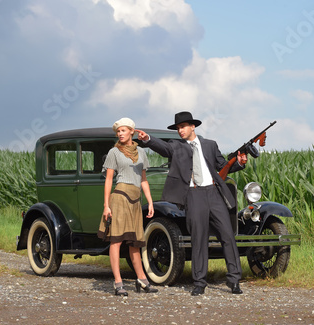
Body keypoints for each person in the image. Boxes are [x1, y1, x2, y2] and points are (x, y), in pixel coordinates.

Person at [136, 111, 248, 296]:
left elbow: (222, 166)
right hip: (193, 195)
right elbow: (163, 147)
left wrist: (239, 162)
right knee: (199, 239)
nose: (180, 131)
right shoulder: (175, 146)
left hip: (214, 193)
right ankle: (199, 282)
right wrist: (148, 139)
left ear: (192, 127)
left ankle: (234, 280)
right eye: (178, 128)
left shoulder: (210, 145)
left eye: (183, 127)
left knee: (228, 235)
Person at [97, 117, 158, 296]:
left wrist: (150, 201)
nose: (120, 134)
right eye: (118, 131)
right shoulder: (114, 152)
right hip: (120, 197)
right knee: (116, 240)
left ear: (132, 131)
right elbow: (108, 180)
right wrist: (106, 205)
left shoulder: (141, 152)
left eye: (123, 130)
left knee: (135, 242)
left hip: (135, 200)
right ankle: (118, 282)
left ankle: (142, 279)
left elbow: (143, 179)